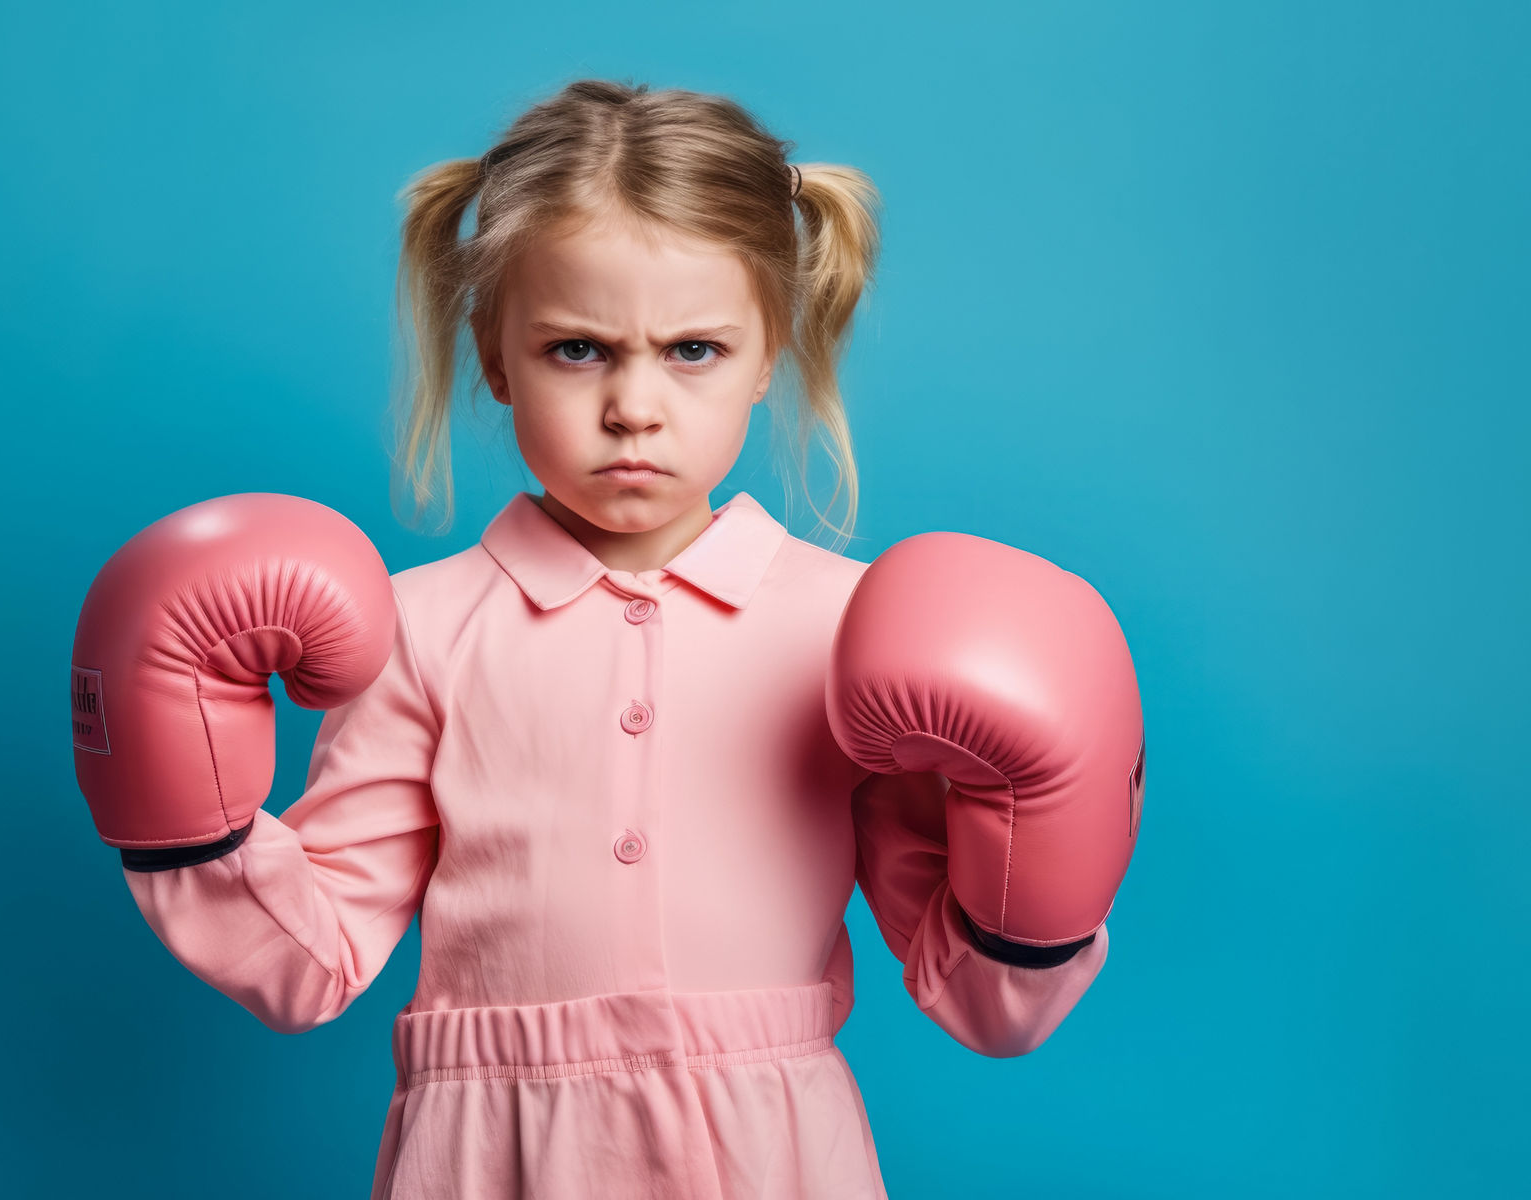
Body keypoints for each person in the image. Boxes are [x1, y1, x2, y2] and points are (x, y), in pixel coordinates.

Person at [70, 79, 1144, 1199]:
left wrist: (1037, 890)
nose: (635, 407)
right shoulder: (420, 631)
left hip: (774, 1153)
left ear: (769, 352)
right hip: (493, 1159)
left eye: (693, 351)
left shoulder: (853, 631)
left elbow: (981, 1001)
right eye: (578, 350)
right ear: (493, 357)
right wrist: (184, 824)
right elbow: (306, 964)